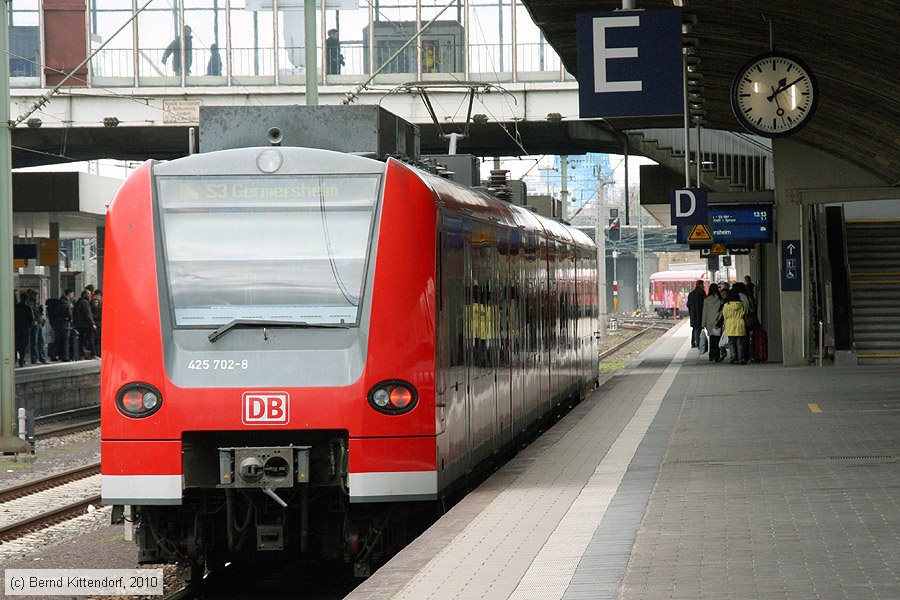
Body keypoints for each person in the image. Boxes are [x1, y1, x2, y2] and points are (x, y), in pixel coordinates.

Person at [722, 287, 748, 364]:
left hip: (730, 324)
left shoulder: (726, 305)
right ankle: (742, 358)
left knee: (731, 342)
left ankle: (734, 358)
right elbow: (744, 313)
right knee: (740, 342)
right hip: (740, 323)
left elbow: (725, 315)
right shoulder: (741, 304)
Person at [50, 289, 76, 362]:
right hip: (65, 325)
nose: (73, 296)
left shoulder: (57, 304)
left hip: (57, 325)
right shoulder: (66, 304)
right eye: (72, 294)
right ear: (69, 294)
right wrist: (68, 319)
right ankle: (65, 357)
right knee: (65, 341)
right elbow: (70, 316)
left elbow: (53, 314)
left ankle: (54, 355)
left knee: (57, 340)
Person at [701, 283, 724, 362]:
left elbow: (705, 312)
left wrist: (703, 324)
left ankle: (711, 355)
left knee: (711, 339)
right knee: (717, 339)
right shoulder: (720, 300)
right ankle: (717, 355)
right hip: (717, 322)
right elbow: (722, 311)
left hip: (709, 322)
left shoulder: (706, 300)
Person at [26, 289, 49, 364]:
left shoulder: (37, 303)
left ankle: (42, 358)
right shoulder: (30, 303)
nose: (37, 297)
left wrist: (42, 319)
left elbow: (38, 313)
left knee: (40, 341)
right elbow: (31, 313)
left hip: (39, 322)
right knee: (34, 342)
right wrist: (34, 321)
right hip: (34, 324)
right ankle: (35, 358)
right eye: (36, 295)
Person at [14, 291, 35, 367]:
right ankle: (21, 360)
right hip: (25, 329)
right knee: (23, 345)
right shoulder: (28, 308)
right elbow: (31, 319)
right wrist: (29, 327)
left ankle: (15, 359)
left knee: (16, 344)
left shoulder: (16, 307)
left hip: (16, 329)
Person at [73, 289, 96, 359]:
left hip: (79, 324)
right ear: (85, 294)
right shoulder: (85, 302)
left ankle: (81, 354)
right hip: (86, 324)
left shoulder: (78, 302)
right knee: (90, 339)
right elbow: (88, 313)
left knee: (81, 340)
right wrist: (92, 323)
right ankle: (93, 354)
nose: (90, 295)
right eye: (88, 294)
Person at [686, 279, 706, 348]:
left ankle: (693, 343)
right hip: (700, 313)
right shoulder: (702, 293)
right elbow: (704, 304)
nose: (703, 286)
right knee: (698, 328)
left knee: (694, 328)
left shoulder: (691, 294)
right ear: (700, 285)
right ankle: (698, 343)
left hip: (693, 314)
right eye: (703, 285)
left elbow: (688, 304)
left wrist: (691, 311)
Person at [90, 289, 102, 358]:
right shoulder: (91, 309)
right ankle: (96, 353)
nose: (95, 303)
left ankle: (99, 353)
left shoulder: (100, 309)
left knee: (98, 340)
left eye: (96, 302)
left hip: (99, 326)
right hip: (94, 326)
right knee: (94, 340)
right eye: (94, 302)